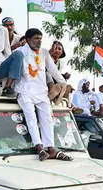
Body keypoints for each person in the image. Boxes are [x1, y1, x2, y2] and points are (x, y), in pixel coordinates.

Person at [15, 28, 71, 161]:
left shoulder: (44, 53)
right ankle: (39, 147)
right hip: (24, 90)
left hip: (41, 91)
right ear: (28, 40)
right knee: (30, 116)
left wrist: (64, 84)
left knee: (47, 118)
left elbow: (53, 71)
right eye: (36, 38)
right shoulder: (18, 53)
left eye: (40, 38)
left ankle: (51, 148)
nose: (39, 41)